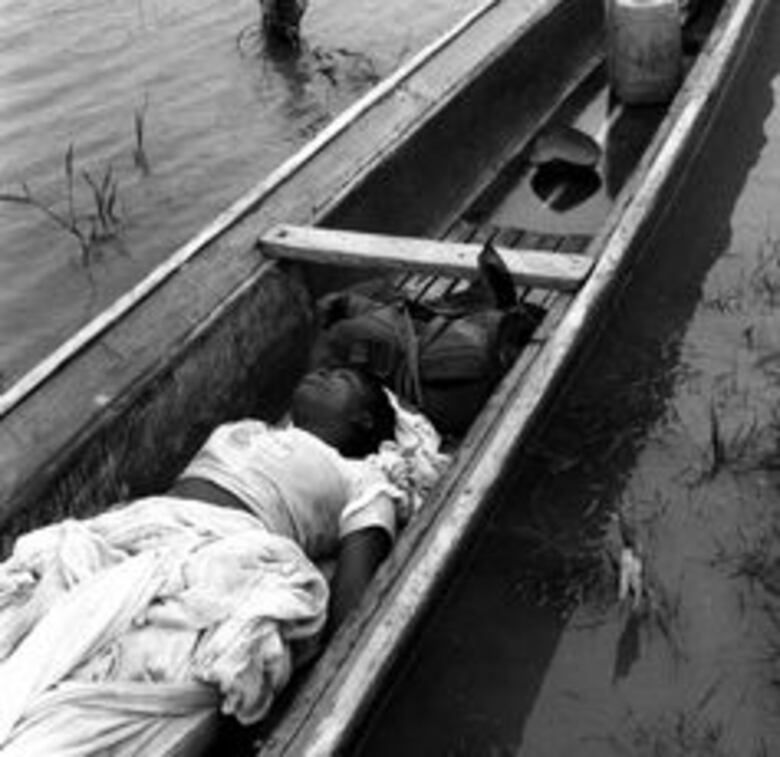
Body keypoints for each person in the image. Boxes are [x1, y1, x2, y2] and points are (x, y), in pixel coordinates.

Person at [0, 367, 448, 755]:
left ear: (363, 418)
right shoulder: (257, 429)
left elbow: (357, 598)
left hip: (220, 547)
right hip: (141, 525)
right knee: (35, 596)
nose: (323, 372)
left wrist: (313, 688)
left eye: (341, 379)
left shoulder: (364, 477)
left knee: (126, 657)